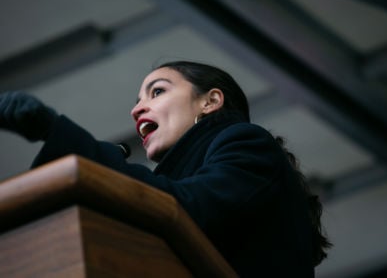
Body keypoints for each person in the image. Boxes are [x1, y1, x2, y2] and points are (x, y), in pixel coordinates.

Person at [0, 60, 331, 277]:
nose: (136, 109)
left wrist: (67, 140)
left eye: (157, 91)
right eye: (138, 100)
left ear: (210, 101)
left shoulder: (246, 141)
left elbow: (189, 208)